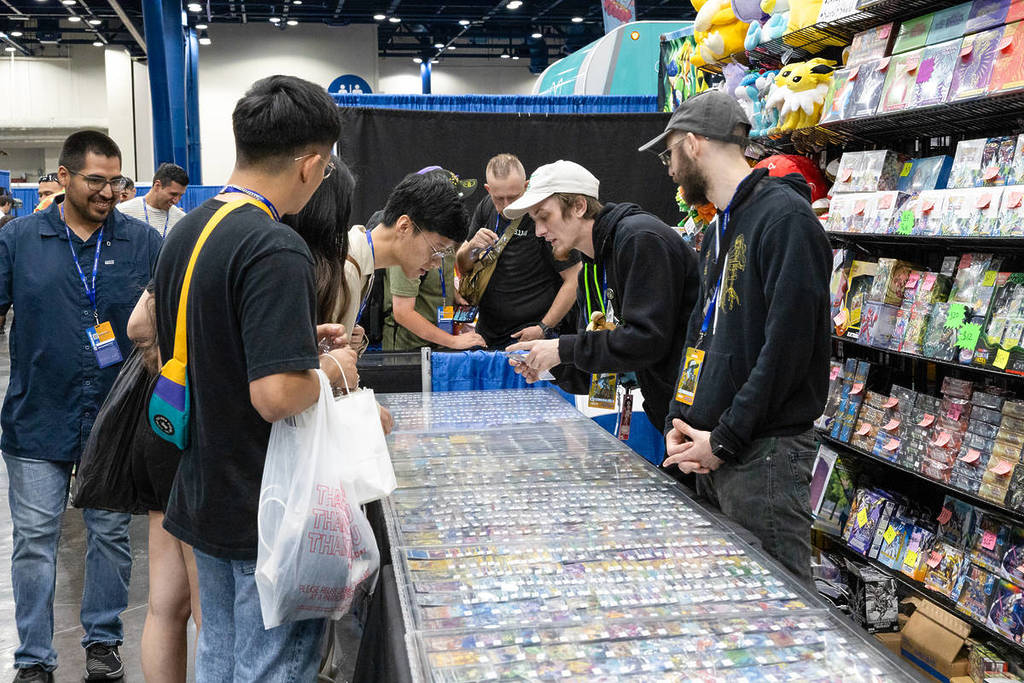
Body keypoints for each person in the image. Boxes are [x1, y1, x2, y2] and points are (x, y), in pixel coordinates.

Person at [151, 74, 359, 682]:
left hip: (203, 490)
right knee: (270, 668)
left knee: (218, 656)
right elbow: (275, 396)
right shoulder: (275, 246)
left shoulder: (188, 230)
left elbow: (203, 345)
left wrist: (293, 345)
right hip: (265, 509)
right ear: (310, 164)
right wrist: (327, 370)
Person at [646, 90, 831, 583]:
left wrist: (724, 440)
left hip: (761, 458)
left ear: (693, 144)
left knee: (783, 605)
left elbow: (787, 349)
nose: (668, 168)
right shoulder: (718, 228)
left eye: (669, 153)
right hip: (712, 452)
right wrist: (679, 419)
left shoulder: (785, 219)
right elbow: (699, 335)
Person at [0, 131, 162, 683]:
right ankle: (35, 659)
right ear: (64, 177)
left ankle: (101, 639)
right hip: (37, 416)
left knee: (111, 536)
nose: (109, 192)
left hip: (115, 422)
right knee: (34, 542)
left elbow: (170, 320)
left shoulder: (142, 243)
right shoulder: (19, 239)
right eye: (96, 181)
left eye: (115, 181)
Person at [506, 160, 699, 434]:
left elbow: (647, 341)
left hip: (705, 424)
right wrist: (549, 364)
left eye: (544, 216)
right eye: (534, 221)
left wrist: (563, 349)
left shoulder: (639, 239)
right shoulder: (591, 269)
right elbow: (600, 364)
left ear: (579, 206)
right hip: (675, 422)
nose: (539, 232)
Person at [456, 154, 581, 349]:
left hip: (530, 334)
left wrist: (543, 327)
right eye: (499, 198)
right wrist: (472, 247)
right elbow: (463, 266)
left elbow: (574, 277)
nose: (507, 205)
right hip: (487, 332)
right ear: (488, 190)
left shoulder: (542, 215)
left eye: (514, 197)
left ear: (526, 186)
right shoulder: (485, 207)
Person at [377, 170, 483, 351]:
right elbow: (403, 312)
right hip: (408, 350)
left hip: (437, 342)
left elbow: (445, 270)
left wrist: (453, 294)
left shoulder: (444, 236)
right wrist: (453, 342)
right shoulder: (409, 248)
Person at [117, 163, 188, 237]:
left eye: (181, 195)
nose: (176, 201)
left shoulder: (181, 220)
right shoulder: (122, 212)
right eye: (173, 194)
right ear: (157, 186)